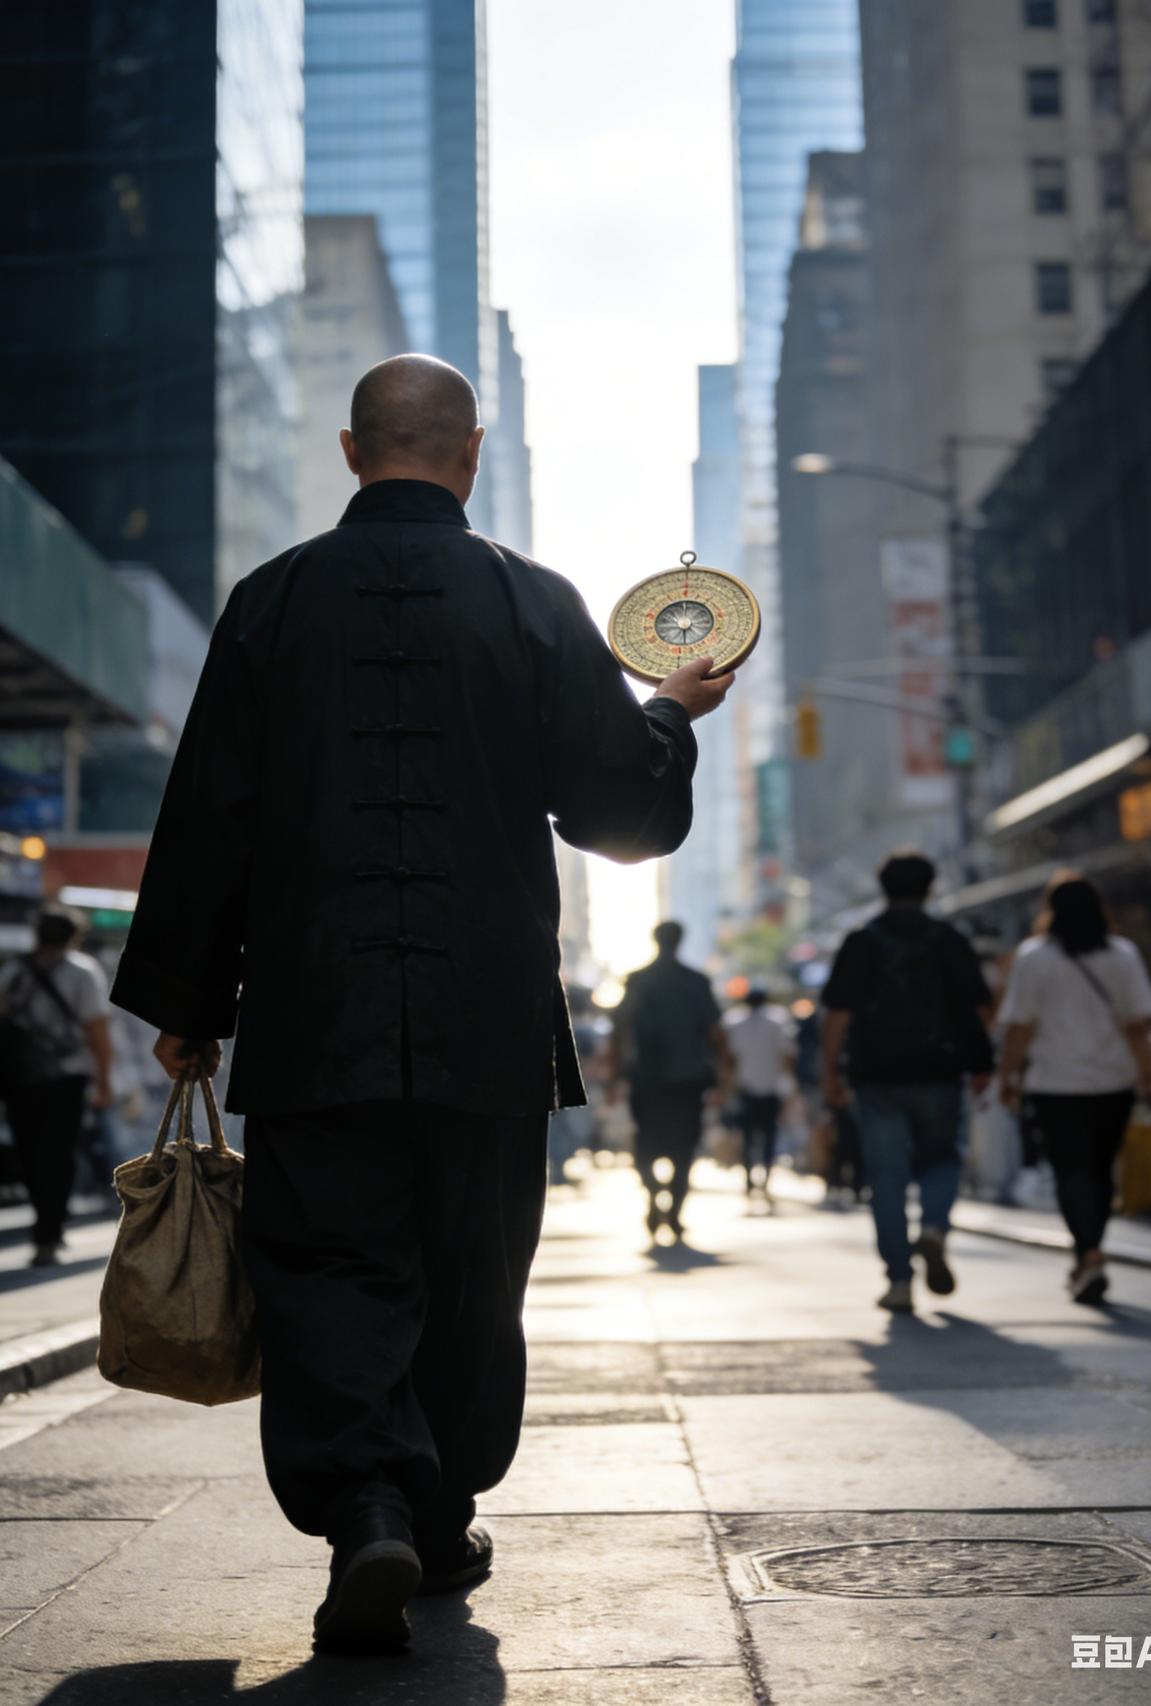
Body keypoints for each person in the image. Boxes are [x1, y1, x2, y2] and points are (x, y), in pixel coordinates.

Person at [109, 355, 734, 1655]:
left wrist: (185, 998)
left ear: (351, 450)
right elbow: (618, 809)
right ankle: (437, 1511)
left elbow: (210, 807)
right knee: (467, 1273)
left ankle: (372, 1504)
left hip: (311, 1012)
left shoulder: (272, 600)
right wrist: (669, 712)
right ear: (468, 451)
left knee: (330, 1267)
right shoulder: (529, 598)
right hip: (487, 1019)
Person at [821, 850, 993, 1312]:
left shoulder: (862, 941)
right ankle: (934, 1228)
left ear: (883, 887)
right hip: (940, 1071)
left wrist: (829, 1073)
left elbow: (837, 1014)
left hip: (877, 1077)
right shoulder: (949, 939)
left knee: (887, 1176)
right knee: (941, 1158)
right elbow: (978, 1009)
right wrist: (982, 1065)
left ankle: (899, 1280)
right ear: (930, 887)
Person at [997, 874, 1151, 1306]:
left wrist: (1007, 1076)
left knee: (1071, 1169)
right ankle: (1091, 1250)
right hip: (1113, 1081)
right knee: (1101, 1169)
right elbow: (1139, 1025)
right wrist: (1150, 1078)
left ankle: (1087, 1253)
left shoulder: (1034, 957)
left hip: (1055, 1083)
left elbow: (1019, 1027)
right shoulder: (1122, 955)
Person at [0, 904, 113, 1266]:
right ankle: (50, 1229)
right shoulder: (82, 971)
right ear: (73, 936)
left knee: (29, 1151)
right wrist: (104, 1081)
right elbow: (96, 1031)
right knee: (58, 1153)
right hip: (66, 1077)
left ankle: (45, 1224)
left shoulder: (14, 971)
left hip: (19, 1077)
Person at [609, 920, 727, 1238]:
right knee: (684, 1148)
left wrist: (613, 1075)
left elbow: (619, 1030)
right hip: (688, 1079)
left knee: (645, 1142)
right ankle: (673, 1211)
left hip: (647, 1078)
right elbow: (717, 1033)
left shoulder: (638, 980)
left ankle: (654, 1198)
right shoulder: (696, 981)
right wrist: (723, 1077)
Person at [724, 987, 793, 1199]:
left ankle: (749, 1178)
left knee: (747, 1136)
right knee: (768, 1136)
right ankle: (765, 1178)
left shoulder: (735, 1022)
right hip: (769, 1087)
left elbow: (730, 1058)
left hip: (746, 1087)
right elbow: (787, 1055)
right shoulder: (777, 1022)